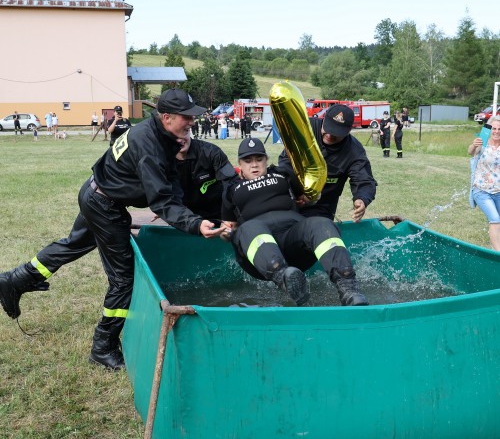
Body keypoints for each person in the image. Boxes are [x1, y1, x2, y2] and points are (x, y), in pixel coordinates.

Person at [0, 89, 227, 371]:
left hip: (95, 193)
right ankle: (103, 346)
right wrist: (193, 224)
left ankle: (16, 280)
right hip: (105, 204)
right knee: (123, 279)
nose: (192, 123)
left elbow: (171, 184)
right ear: (167, 117)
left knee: (73, 244)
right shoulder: (151, 145)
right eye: (187, 118)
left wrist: (194, 214)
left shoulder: (158, 134)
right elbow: (162, 200)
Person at [221, 138, 369, 307]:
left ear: (266, 160)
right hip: (258, 247)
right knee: (250, 227)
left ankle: (348, 288)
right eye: (248, 161)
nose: (254, 165)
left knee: (321, 223)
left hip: (293, 237)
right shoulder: (232, 189)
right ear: (239, 163)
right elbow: (228, 226)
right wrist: (226, 233)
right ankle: (286, 280)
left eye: (259, 159)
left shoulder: (282, 173)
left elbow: (308, 198)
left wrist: (312, 198)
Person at [278, 103, 377, 223]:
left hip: (322, 206)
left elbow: (364, 179)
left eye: (336, 133)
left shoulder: (354, 151)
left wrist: (362, 198)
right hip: (289, 197)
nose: (330, 135)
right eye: (328, 129)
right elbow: (286, 162)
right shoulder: (306, 129)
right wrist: (298, 192)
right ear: (323, 119)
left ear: (348, 131)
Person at [468, 115, 500, 251]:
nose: (497, 131)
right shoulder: (483, 142)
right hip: (481, 190)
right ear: (490, 129)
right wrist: (474, 145)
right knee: (495, 219)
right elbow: (471, 152)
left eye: (499, 129)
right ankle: (498, 253)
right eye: (494, 128)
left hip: (498, 191)